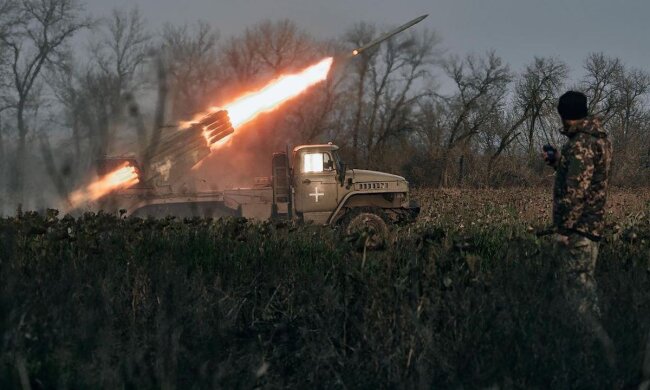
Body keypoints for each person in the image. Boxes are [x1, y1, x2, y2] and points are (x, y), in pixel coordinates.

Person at [543, 90, 615, 364]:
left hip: (579, 231)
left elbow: (577, 192)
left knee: (578, 295)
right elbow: (586, 176)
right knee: (585, 287)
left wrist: (564, 231)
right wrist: (559, 162)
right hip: (590, 228)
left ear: (565, 116)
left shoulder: (582, 144)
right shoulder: (599, 140)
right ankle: (595, 350)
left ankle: (593, 354)